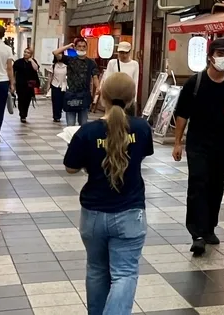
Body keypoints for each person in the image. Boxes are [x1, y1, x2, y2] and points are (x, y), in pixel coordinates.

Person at [64, 73, 153, 315]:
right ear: (132, 98)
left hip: (93, 213)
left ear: (102, 96)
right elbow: (141, 155)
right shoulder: (142, 128)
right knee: (124, 273)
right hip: (130, 212)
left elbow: (70, 167)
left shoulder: (87, 132)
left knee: (96, 270)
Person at [172, 38, 224, 257]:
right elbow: (182, 114)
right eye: (221, 53)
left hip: (221, 142)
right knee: (198, 183)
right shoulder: (195, 82)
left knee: (216, 185)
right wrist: (177, 142)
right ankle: (197, 234)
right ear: (210, 56)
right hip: (197, 142)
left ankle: (210, 227)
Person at [57, 38, 99, 126]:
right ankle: (71, 139)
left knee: (83, 125)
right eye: (79, 46)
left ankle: (81, 140)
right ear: (75, 48)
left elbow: (95, 77)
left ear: (87, 48)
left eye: (84, 46)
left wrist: (98, 87)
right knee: (70, 125)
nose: (81, 48)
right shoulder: (70, 60)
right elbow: (55, 53)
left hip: (84, 95)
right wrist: (68, 46)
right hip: (71, 95)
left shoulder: (91, 63)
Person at [13, 47, 41, 123]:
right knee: (21, 99)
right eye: (25, 52)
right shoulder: (18, 62)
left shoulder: (33, 61)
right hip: (20, 84)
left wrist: (31, 60)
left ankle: (24, 114)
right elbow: (13, 72)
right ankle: (22, 115)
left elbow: (36, 68)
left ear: (31, 54)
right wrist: (13, 83)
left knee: (27, 100)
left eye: (28, 52)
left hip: (30, 84)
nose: (25, 53)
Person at [47, 55, 68, 123]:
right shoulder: (53, 66)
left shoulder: (67, 66)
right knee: (55, 102)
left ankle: (60, 112)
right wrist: (48, 85)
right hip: (55, 85)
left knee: (62, 101)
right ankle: (56, 116)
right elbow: (50, 76)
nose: (59, 56)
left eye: (60, 54)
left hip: (64, 85)